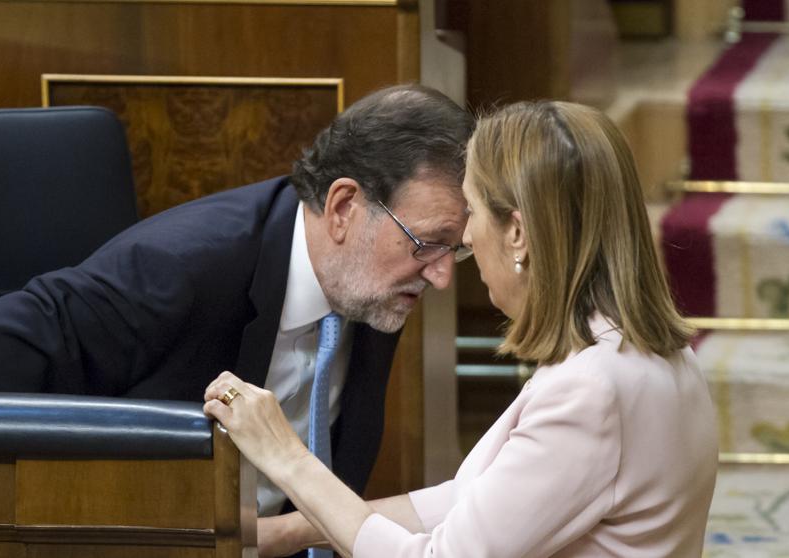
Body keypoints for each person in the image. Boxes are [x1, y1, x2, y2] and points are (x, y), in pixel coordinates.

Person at [0, 84, 476, 519]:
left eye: (458, 250)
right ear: (345, 207)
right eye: (430, 244)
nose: (443, 275)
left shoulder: (375, 275)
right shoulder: (176, 271)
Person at [203, 101, 719, 557]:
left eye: (471, 211)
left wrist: (286, 456)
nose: (466, 237)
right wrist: (295, 529)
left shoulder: (592, 392)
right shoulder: (651, 353)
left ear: (517, 233)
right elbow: (477, 500)